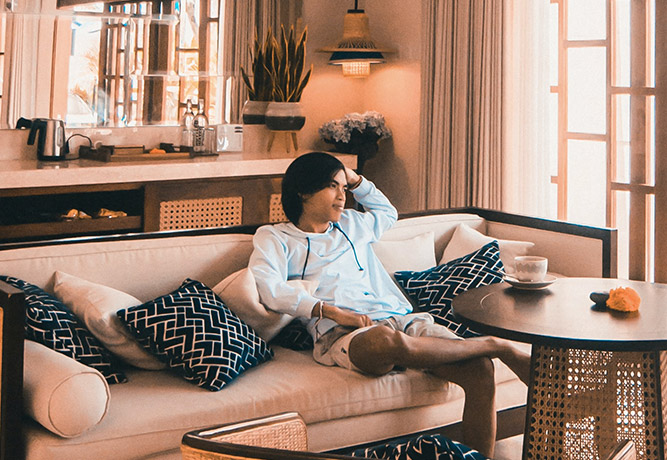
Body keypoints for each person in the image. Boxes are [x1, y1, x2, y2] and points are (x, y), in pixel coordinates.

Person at [248, 152, 530, 457]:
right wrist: (333, 312)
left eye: (344, 188)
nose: (342, 196)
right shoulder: (276, 237)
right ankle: (495, 344)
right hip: (342, 333)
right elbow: (269, 288)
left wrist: (355, 179)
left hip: (400, 318)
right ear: (303, 191)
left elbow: (387, 212)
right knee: (388, 340)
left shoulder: (353, 224)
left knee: (480, 369)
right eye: (332, 186)